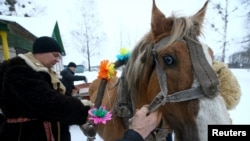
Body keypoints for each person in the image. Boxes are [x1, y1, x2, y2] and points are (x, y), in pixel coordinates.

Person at [0, 36, 93, 141]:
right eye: (55, 55)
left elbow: (57, 98)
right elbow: (46, 101)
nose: (57, 60)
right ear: (40, 52)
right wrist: (80, 109)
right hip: (28, 134)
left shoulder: (45, 73)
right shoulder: (19, 71)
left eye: (59, 57)